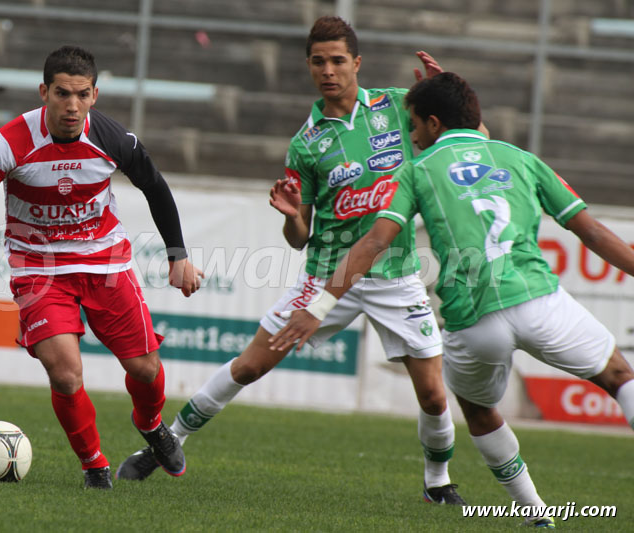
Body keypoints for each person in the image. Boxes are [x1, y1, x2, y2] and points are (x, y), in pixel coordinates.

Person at [116, 16, 468, 505]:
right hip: (327, 278)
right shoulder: (306, 143)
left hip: (396, 275)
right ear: (308, 66)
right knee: (249, 367)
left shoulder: (394, 106)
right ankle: (169, 440)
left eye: (338, 60)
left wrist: (448, 97)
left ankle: (437, 484)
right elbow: (300, 237)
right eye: (319, 61)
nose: (329, 70)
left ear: (357, 63)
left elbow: (465, 138)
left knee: (432, 394)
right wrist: (290, 216)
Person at [270, 72, 634, 528]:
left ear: (434, 123)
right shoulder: (520, 158)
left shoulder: (416, 171)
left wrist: (319, 307)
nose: (411, 133)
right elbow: (595, 233)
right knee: (620, 377)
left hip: (473, 320)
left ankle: (535, 512)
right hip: (538, 300)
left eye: (415, 124)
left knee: (479, 412)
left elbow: (371, 244)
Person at [0, 45, 204, 490]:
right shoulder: (9, 142)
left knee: (144, 369)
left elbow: (156, 187)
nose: (72, 105)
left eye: (82, 94)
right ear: (43, 92)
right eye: (62, 93)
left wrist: (177, 254)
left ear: (95, 95)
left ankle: (151, 425)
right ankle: (94, 466)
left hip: (106, 262)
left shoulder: (113, 139)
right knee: (65, 373)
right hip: (39, 270)